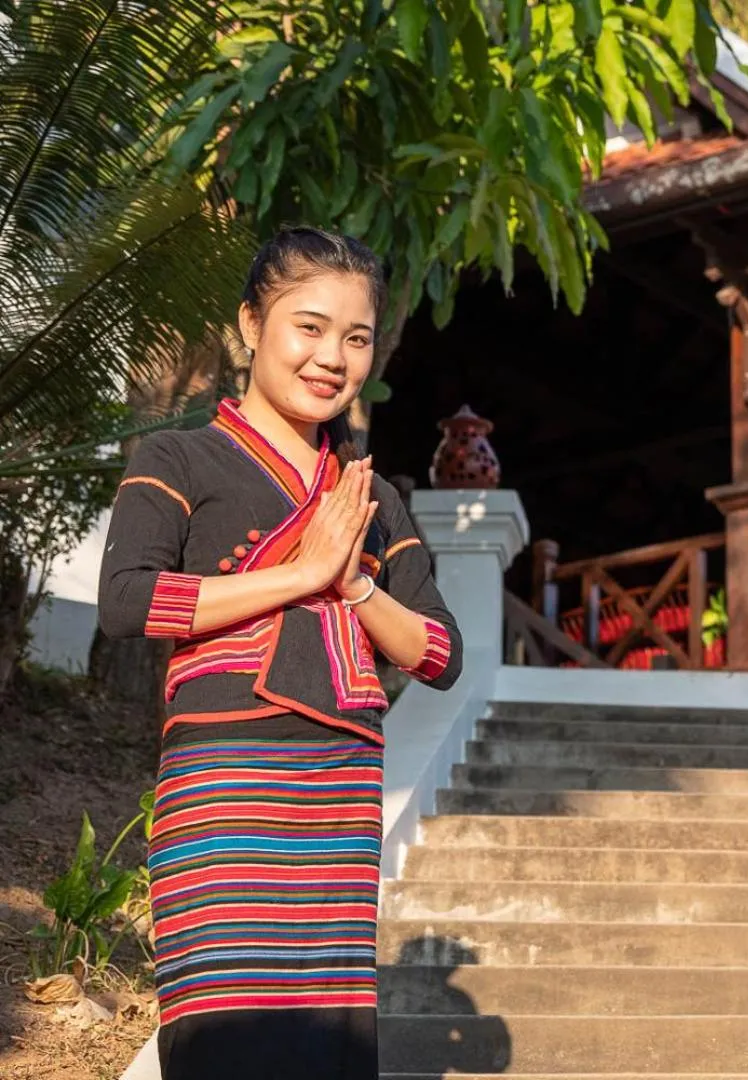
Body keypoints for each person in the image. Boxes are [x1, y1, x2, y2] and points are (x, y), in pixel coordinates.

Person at [98, 226, 462, 1080]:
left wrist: (356, 588)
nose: (331, 356)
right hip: (227, 786)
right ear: (249, 326)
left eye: (357, 337)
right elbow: (128, 601)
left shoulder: (370, 498)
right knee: (230, 1038)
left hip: (339, 794)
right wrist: (301, 572)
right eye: (309, 326)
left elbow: (439, 652)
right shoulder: (179, 456)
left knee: (327, 1045)